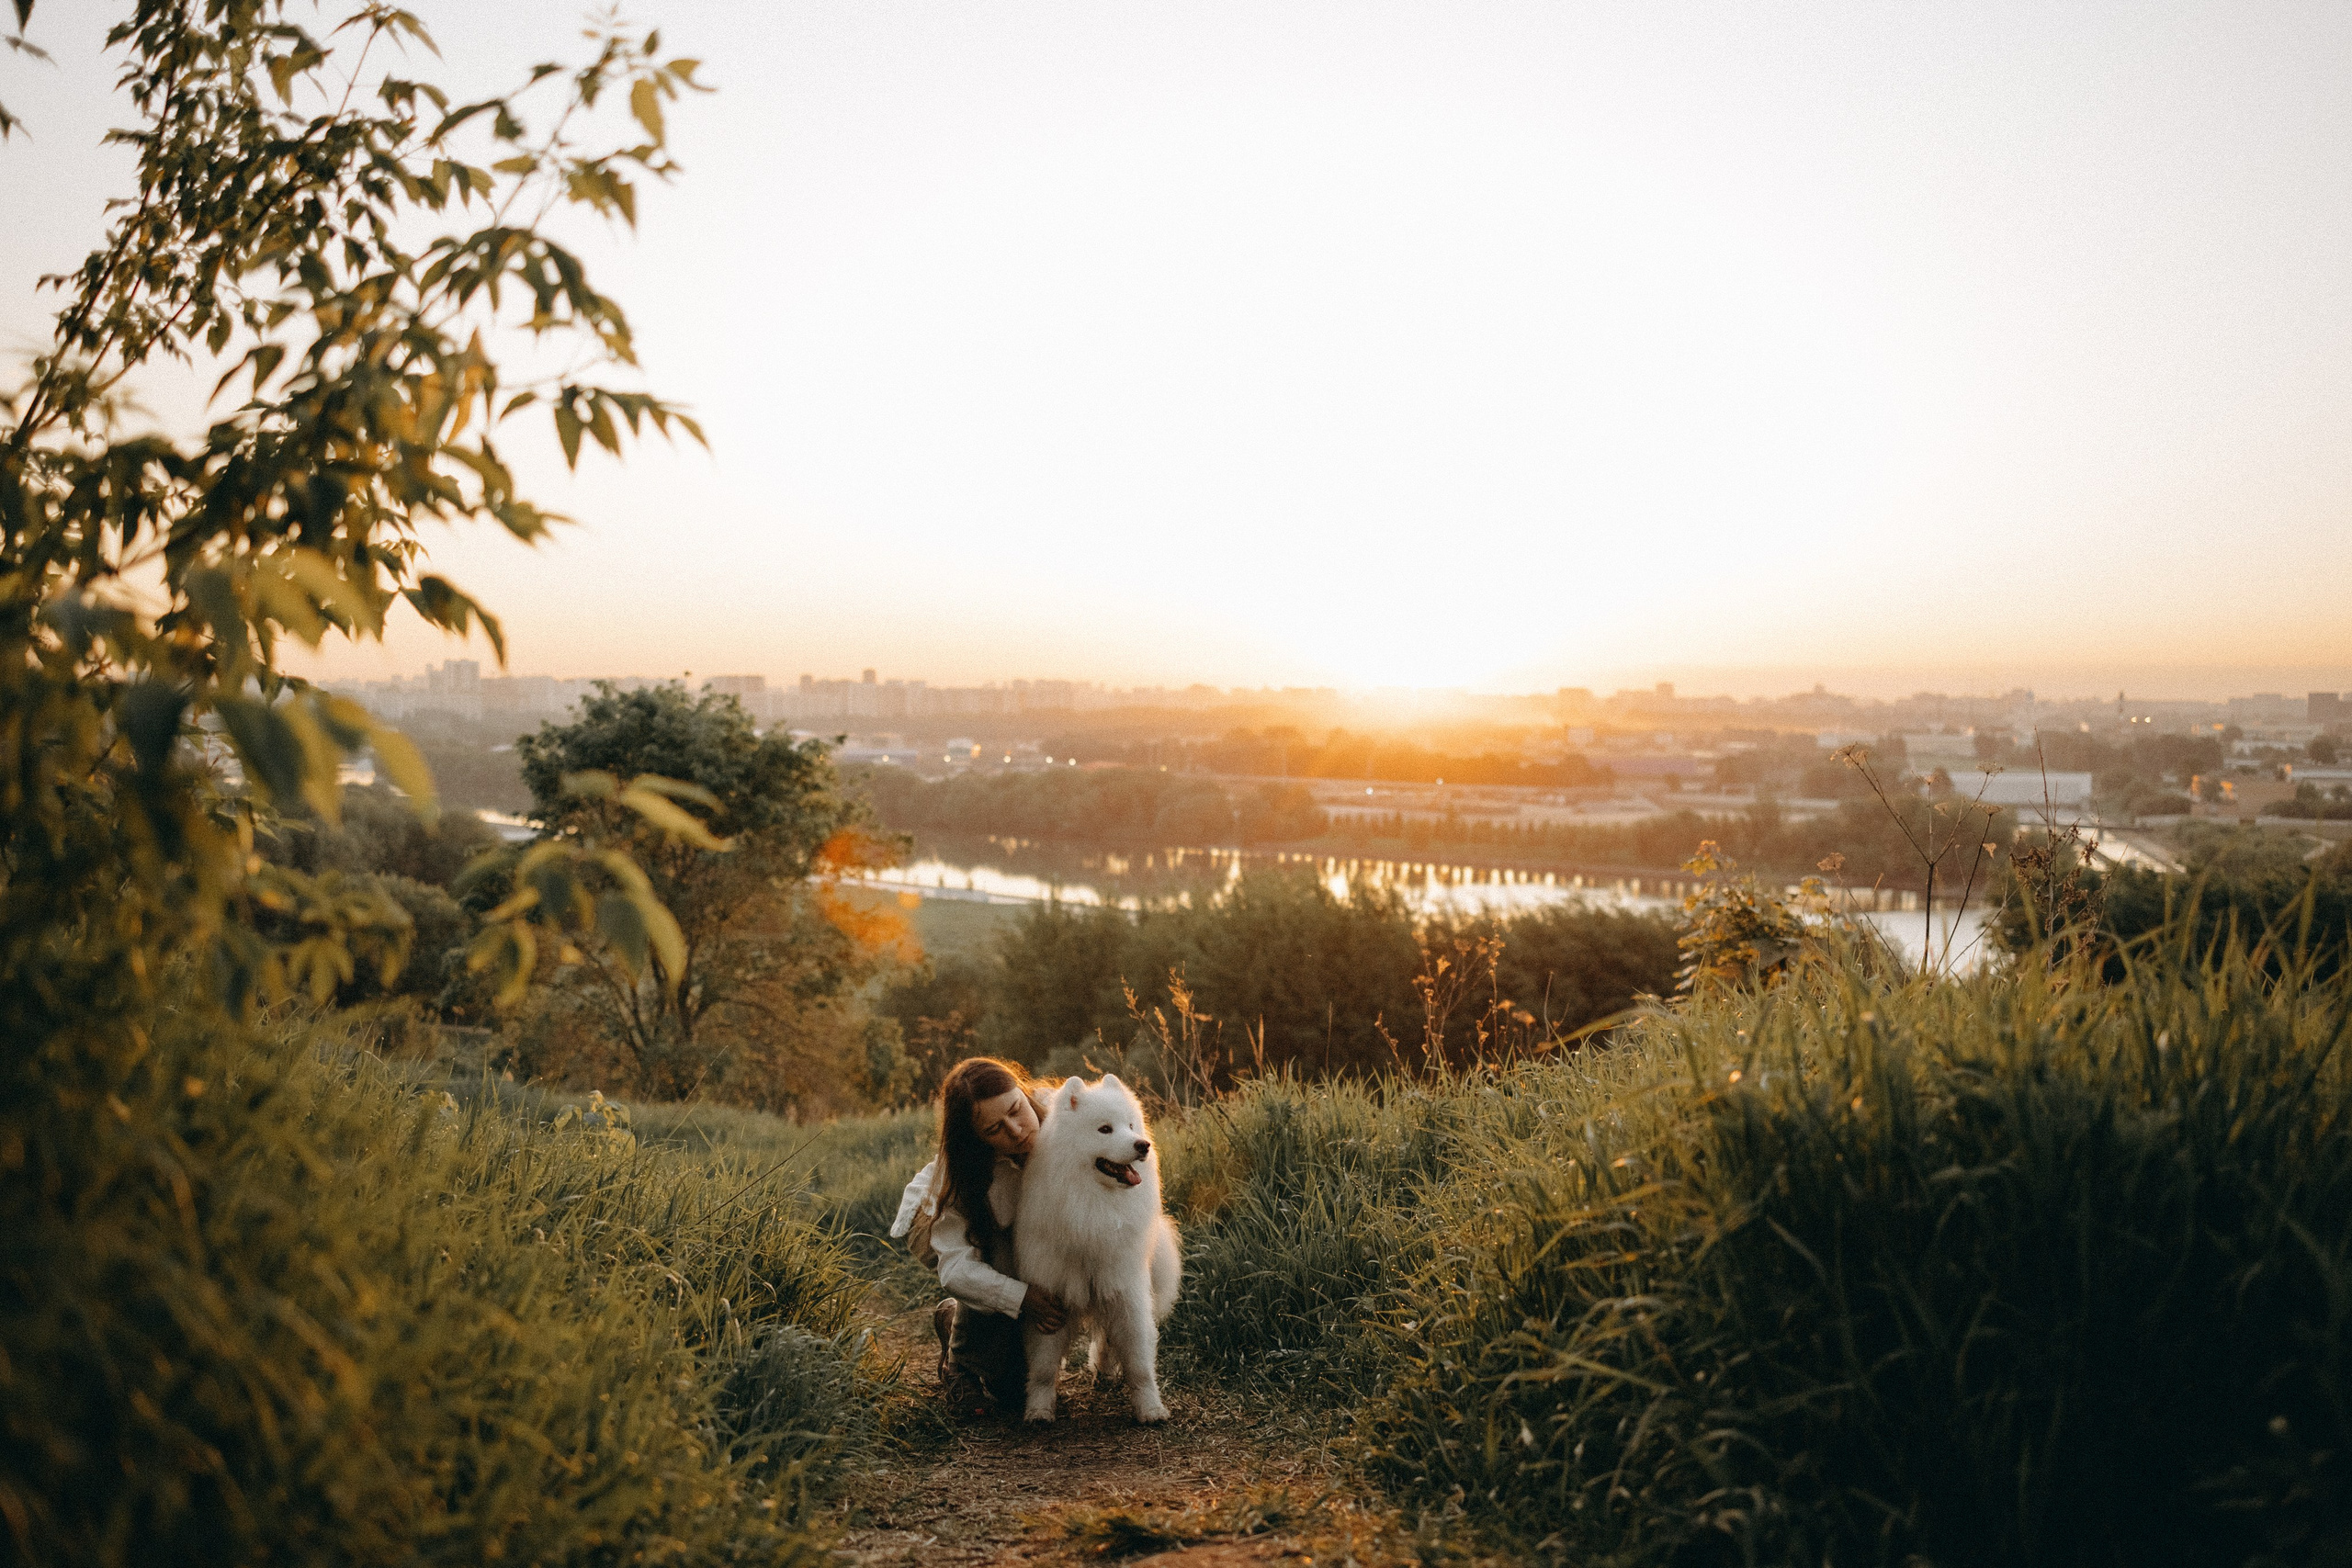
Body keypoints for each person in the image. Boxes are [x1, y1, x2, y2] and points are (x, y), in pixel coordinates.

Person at [889, 1056, 1069, 1412]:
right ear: (976, 1139)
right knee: (995, 1247)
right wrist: (1023, 1297)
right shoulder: (962, 1178)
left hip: (1021, 1229)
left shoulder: (1064, 1111)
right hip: (948, 1228)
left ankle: (956, 1316)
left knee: (1016, 1389)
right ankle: (960, 1362)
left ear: (1022, 1090)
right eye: (994, 1130)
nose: (1016, 1131)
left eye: (1016, 1110)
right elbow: (957, 1269)